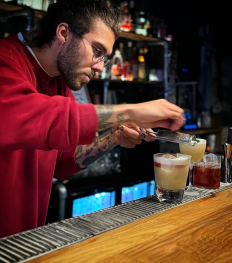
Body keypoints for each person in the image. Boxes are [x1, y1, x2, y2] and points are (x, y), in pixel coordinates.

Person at [0, 0, 185, 238]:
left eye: (105, 57)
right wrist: (129, 111)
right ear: (64, 33)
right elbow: (26, 119)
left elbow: (60, 162)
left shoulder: (59, 80)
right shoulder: (5, 60)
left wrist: (113, 137)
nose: (99, 66)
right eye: (97, 51)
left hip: (22, 240)